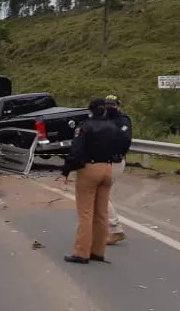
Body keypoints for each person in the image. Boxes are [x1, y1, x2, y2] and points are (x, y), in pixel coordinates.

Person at [61, 98, 123, 264]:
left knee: (86, 213)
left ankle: (81, 252)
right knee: (102, 213)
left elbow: (76, 149)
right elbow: (120, 147)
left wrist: (67, 169)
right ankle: (98, 251)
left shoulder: (85, 127)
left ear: (90, 110)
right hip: (108, 169)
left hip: (90, 169)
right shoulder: (112, 126)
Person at [105, 94, 133, 245]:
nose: (110, 107)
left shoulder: (122, 121)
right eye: (108, 104)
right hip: (106, 162)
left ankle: (115, 229)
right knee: (103, 195)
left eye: (112, 105)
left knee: (101, 195)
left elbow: (125, 140)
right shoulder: (103, 120)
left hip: (114, 162)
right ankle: (109, 228)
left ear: (118, 106)